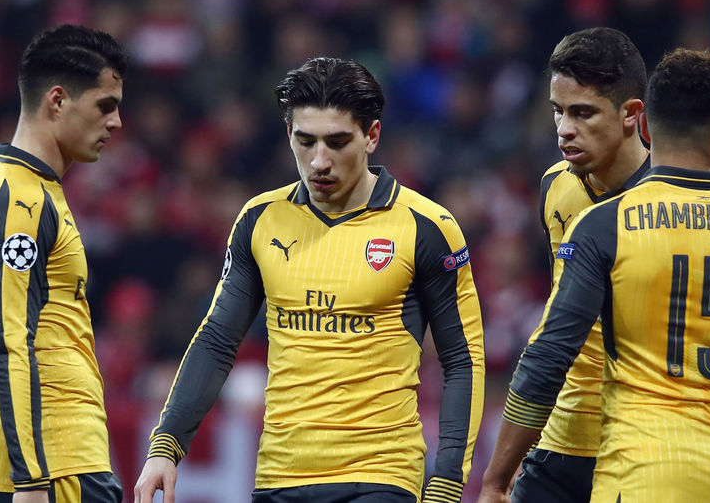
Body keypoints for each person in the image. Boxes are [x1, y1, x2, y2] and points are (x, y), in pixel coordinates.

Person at [480, 48, 710, 502]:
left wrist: (497, 476)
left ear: (644, 127)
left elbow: (547, 359)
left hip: (639, 471)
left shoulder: (607, 225)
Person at [134, 57, 485, 503]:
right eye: (306, 141)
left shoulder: (427, 227)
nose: (319, 161)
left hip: (380, 475)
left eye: (337, 142)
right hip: (279, 477)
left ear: (372, 135)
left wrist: (447, 482)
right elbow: (217, 340)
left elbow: (462, 359)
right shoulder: (260, 220)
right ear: (289, 135)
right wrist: (165, 446)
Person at [479, 27, 649, 503]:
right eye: (558, 111)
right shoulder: (555, 185)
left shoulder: (672, 203)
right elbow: (556, 333)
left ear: (631, 114)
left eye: (583, 113)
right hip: (560, 442)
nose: (564, 129)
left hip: (640, 447)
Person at [0, 25, 127, 503]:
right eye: (105, 105)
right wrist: (31, 481)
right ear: (57, 100)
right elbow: (11, 341)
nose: (116, 122)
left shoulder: (23, 188)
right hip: (53, 465)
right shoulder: (20, 201)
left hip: (51, 459)